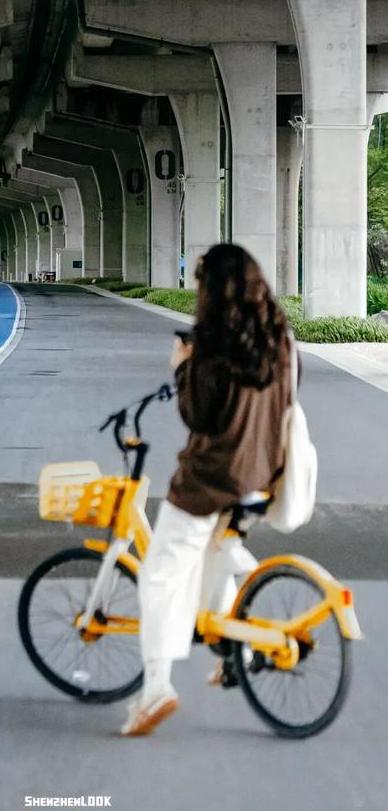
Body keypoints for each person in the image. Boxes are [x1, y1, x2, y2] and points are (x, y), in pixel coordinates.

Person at [121, 243, 293, 737]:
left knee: (159, 575)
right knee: (215, 559)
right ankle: (236, 652)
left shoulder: (214, 344)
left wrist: (181, 365)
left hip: (210, 482)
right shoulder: (281, 335)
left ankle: (155, 688)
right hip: (263, 479)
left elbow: (197, 414)